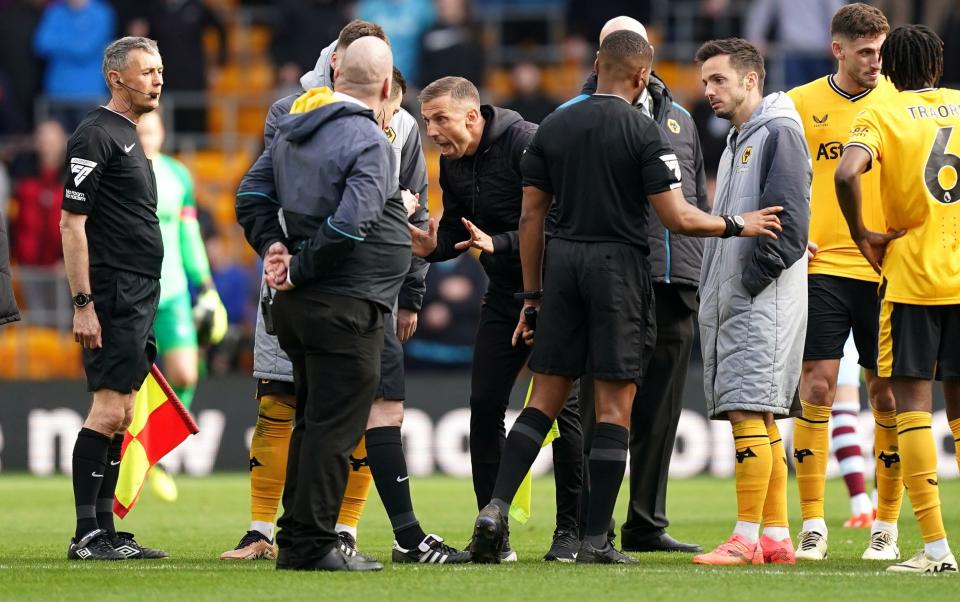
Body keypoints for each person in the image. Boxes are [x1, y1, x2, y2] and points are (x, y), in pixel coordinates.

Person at [467, 30, 784, 565]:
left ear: (596, 65)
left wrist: (532, 295)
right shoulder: (645, 132)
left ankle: (495, 506)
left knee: (545, 398)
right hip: (617, 271)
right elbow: (677, 217)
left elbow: (529, 217)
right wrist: (738, 223)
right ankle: (594, 541)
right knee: (615, 406)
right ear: (643, 77)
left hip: (561, 266)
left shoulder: (553, 126)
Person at [228, 20, 468, 566]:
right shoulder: (373, 139)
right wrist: (303, 267)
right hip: (349, 305)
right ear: (388, 88)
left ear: (338, 72)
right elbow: (353, 223)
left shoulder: (293, 123)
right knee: (335, 431)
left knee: (312, 419)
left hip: (298, 308)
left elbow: (250, 195)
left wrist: (273, 249)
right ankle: (317, 545)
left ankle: (293, 538)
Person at [412, 75, 584, 562]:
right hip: (504, 295)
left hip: (554, 295)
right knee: (484, 405)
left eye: (439, 119)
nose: (432, 132)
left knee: (564, 414)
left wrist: (502, 243)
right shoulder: (452, 160)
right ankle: (493, 536)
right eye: (427, 122)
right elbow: (456, 228)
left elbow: (559, 218)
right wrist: (432, 248)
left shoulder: (527, 142)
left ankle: (569, 535)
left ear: (472, 116)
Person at [556, 15, 707, 555]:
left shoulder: (682, 120)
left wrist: (696, 268)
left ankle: (645, 521)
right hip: (613, 280)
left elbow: (695, 201)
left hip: (674, 280)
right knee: (602, 408)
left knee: (661, 410)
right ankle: (591, 527)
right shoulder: (572, 117)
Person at [835, 23, 960, 574]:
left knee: (911, 408)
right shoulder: (959, 104)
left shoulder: (880, 112)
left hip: (911, 278)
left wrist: (862, 233)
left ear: (891, 66)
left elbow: (846, 171)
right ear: (936, 62)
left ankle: (935, 550)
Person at [785, 2, 902, 562]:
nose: (876, 61)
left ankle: (886, 524)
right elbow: (776, 179)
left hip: (887, 269)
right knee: (818, 388)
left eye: (880, 49)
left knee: (886, 394)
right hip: (823, 264)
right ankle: (813, 523)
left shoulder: (899, 103)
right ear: (838, 50)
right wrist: (788, 234)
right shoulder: (799, 104)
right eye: (865, 51)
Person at [693, 37, 811, 566]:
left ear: (751, 80)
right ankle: (776, 537)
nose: (709, 91)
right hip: (749, 296)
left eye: (718, 79)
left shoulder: (778, 133)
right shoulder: (743, 136)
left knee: (747, 409)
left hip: (759, 297)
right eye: (704, 82)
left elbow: (788, 225)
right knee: (761, 417)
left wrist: (751, 284)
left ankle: (743, 538)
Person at [60, 36, 168, 561]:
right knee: (107, 410)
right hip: (114, 290)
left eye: (160, 69)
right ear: (116, 78)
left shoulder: (129, 135)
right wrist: (84, 303)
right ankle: (86, 535)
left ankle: (105, 530)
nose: (157, 78)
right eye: (146, 71)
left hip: (140, 291)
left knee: (124, 412)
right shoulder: (95, 135)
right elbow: (71, 223)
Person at [136, 109, 227, 501]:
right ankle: (127, 465)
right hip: (132, 293)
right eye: (140, 132)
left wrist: (205, 286)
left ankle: (159, 453)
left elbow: (190, 234)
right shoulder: (117, 173)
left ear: (162, 132)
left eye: (152, 131)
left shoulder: (177, 176)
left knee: (187, 374)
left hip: (171, 293)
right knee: (127, 387)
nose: (146, 138)